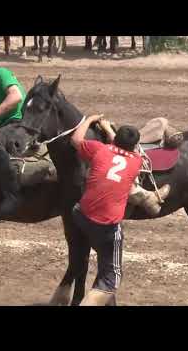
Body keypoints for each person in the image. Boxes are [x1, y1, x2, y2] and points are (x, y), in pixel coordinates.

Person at [70, 115, 169, 306]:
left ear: (115, 140)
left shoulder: (100, 149)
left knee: (103, 256)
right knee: (112, 278)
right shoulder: (136, 161)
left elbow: (75, 140)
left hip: (81, 214)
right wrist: (111, 132)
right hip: (106, 226)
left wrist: (89, 120)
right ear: (134, 145)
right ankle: (150, 198)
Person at [0, 59, 54, 220]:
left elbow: (15, 97)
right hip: (8, 126)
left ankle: (12, 195)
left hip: (19, 125)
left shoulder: (0, 73)